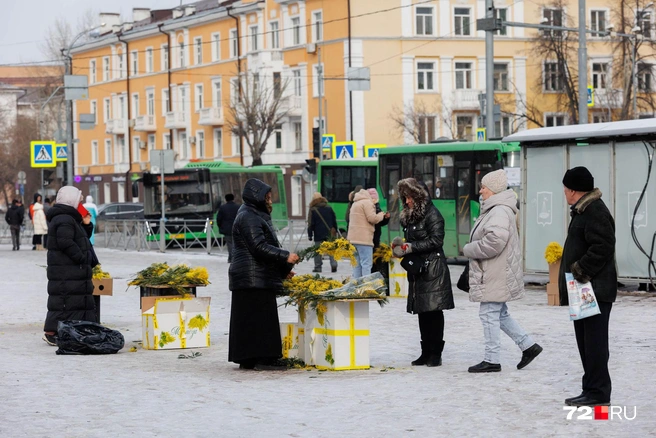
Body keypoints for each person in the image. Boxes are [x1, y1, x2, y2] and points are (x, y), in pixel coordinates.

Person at [463, 169, 542, 373]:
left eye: (484, 188)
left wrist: (469, 249)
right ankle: (528, 346)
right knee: (500, 314)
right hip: (496, 270)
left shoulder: (498, 210)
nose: (480, 191)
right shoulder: (496, 208)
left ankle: (492, 360)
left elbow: (495, 241)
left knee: (489, 314)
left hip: (494, 271)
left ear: (494, 190)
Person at [559, 167, 616, 407]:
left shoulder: (594, 211)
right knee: (585, 343)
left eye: (565, 189)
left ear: (573, 190)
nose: (564, 193)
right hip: (584, 289)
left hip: (593, 288)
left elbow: (603, 247)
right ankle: (590, 389)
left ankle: (599, 392)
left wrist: (580, 270)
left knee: (594, 344)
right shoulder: (584, 210)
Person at [228, 179, 299, 370]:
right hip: (253, 279)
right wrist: (286, 257)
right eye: (267, 198)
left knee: (248, 319)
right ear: (257, 197)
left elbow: (263, 247)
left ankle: (248, 357)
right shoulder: (249, 216)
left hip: (251, 277)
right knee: (261, 319)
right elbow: (258, 247)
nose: (270, 201)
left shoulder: (252, 214)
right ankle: (264, 358)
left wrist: (282, 271)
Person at [392, 178, 454, 367]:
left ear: (418, 196)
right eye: (405, 198)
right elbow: (412, 240)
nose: (407, 201)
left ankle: (435, 353)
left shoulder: (432, 214)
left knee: (433, 311)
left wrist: (411, 247)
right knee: (422, 311)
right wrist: (400, 246)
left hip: (433, 269)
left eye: (409, 197)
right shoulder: (410, 216)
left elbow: (437, 240)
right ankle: (425, 352)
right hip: (419, 269)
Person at [43, 186, 96, 346]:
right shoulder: (64, 218)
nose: (81, 202)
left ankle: (73, 329)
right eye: (79, 199)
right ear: (70, 200)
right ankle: (51, 332)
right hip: (66, 269)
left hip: (68, 269)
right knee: (63, 302)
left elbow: (80, 238)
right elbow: (65, 242)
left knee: (69, 301)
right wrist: (81, 257)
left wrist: (86, 224)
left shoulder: (69, 218)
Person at [347, 188, 385, 278]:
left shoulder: (355, 203)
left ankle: (357, 287)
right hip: (364, 240)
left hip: (353, 240)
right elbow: (372, 218)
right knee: (366, 265)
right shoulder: (367, 203)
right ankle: (365, 287)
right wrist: (381, 215)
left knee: (356, 265)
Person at [307, 192, 338, 273]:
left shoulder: (313, 209)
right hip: (329, 233)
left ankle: (318, 267)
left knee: (318, 251)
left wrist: (310, 235)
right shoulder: (329, 207)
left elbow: (310, 223)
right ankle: (334, 264)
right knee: (331, 249)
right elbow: (334, 220)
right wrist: (336, 229)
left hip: (318, 233)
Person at [368, 188, 390, 275]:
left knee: (375, 257)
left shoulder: (377, 206)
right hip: (369, 237)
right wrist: (380, 216)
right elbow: (373, 219)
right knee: (370, 260)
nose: (375, 201)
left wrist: (386, 218)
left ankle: (374, 274)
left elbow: (380, 222)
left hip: (376, 236)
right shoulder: (368, 206)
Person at [216, 193, 240, 263]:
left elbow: (219, 219)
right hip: (237, 228)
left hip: (227, 229)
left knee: (229, 244)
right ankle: (237, 258)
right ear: (233, 198)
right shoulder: (238, 207)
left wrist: (220, 226)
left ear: (226, 199)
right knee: (237, 243)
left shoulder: (222, 208)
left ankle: (231, 258)